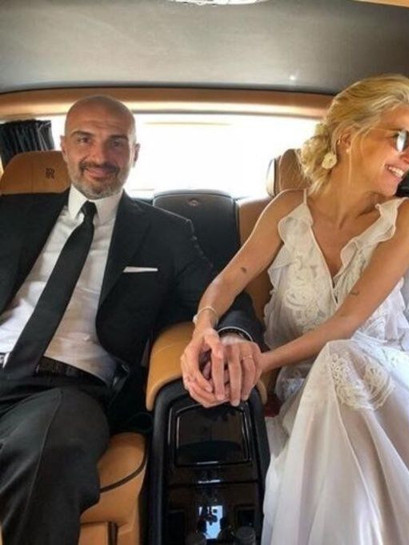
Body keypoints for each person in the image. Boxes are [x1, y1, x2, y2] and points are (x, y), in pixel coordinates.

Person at [181, 75, 409, 544]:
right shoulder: (285, 210)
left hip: (391, 389)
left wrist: (261, 361)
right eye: (399, 139)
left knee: (341, 356)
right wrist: (204, 328)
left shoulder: (408, 217)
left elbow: (348, 322)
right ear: (347, 137)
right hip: (304, 394)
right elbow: (228, 280)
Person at [0, 95, 262, 545]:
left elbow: (224, 296)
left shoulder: (166, 232)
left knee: (52, 448)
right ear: (64, 146)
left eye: (116, 143)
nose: (100, 156)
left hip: (65, 393)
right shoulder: (10, 214)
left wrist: (233, 334)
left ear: (135, 153)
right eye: (85, 139)